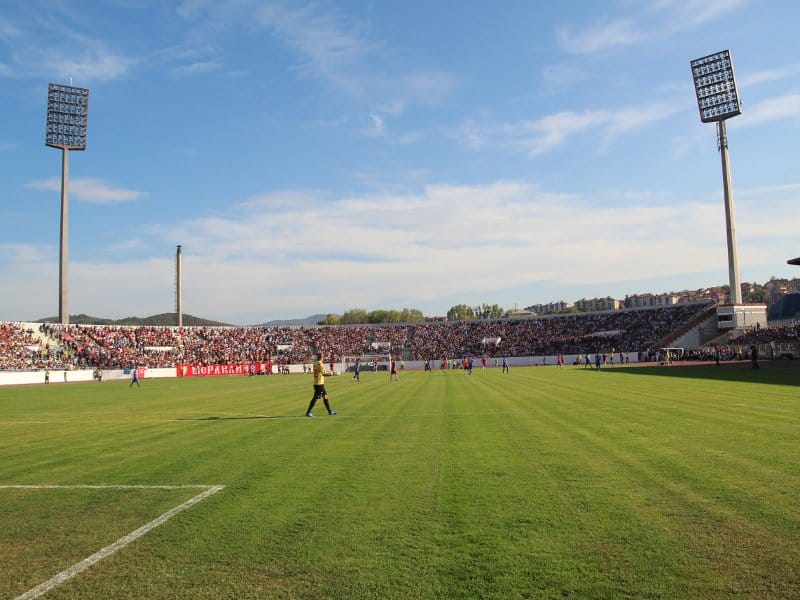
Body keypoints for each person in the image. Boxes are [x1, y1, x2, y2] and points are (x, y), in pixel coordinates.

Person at [306, 353, 336, 417]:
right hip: (319, 384)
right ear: (322, 357)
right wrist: (332, 374)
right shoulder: (320, 364)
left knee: (325, 396)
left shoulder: (315, 363)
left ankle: (330, 411)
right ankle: (308, 412)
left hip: (318, 383)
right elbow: (324, 374)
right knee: (316, 398)